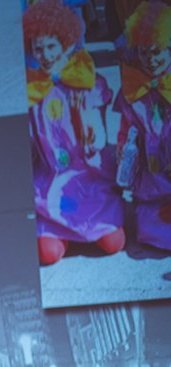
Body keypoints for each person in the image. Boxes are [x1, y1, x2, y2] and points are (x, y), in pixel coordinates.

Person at [23, 0, 125, 265]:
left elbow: (100, 136)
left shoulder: (88, 82)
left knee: (114, 244)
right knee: (48, 255)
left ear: (67, 44)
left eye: (51, 46)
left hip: (89, 177)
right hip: (51, 180)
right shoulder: (33, 90)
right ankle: (58, 230)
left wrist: (92, 135)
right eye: (38, 48)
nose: (45, 55)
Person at [115, 1, 171, 253]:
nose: (152, 60)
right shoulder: (133, 89)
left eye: (158, 52)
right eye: (145, 53)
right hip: (151, 178)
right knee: (150, 229)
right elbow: (125, 129)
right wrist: (123, 151)